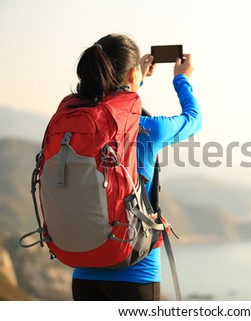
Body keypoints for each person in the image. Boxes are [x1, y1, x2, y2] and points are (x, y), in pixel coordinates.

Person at [70, 34, 202, 300]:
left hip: (84, 272)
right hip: (136, 271)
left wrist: (135, 77)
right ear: (132, 75)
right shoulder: (147, 128)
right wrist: (181, 78)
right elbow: (193, 119)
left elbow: (110, 109)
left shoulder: (76, 124)